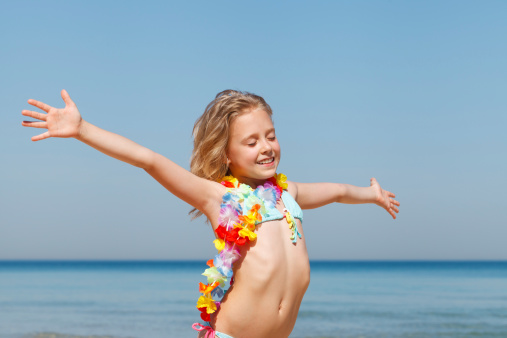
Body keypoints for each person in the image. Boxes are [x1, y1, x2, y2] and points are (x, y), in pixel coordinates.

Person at [22, 89, 400, 338]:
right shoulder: (219, 199)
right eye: (251, 142)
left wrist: (371, 194)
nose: (266, 147)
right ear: (226, 155)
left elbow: (336, 192)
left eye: (270, 135)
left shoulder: (289, 193)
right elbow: (149, 161)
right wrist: (82, 128)